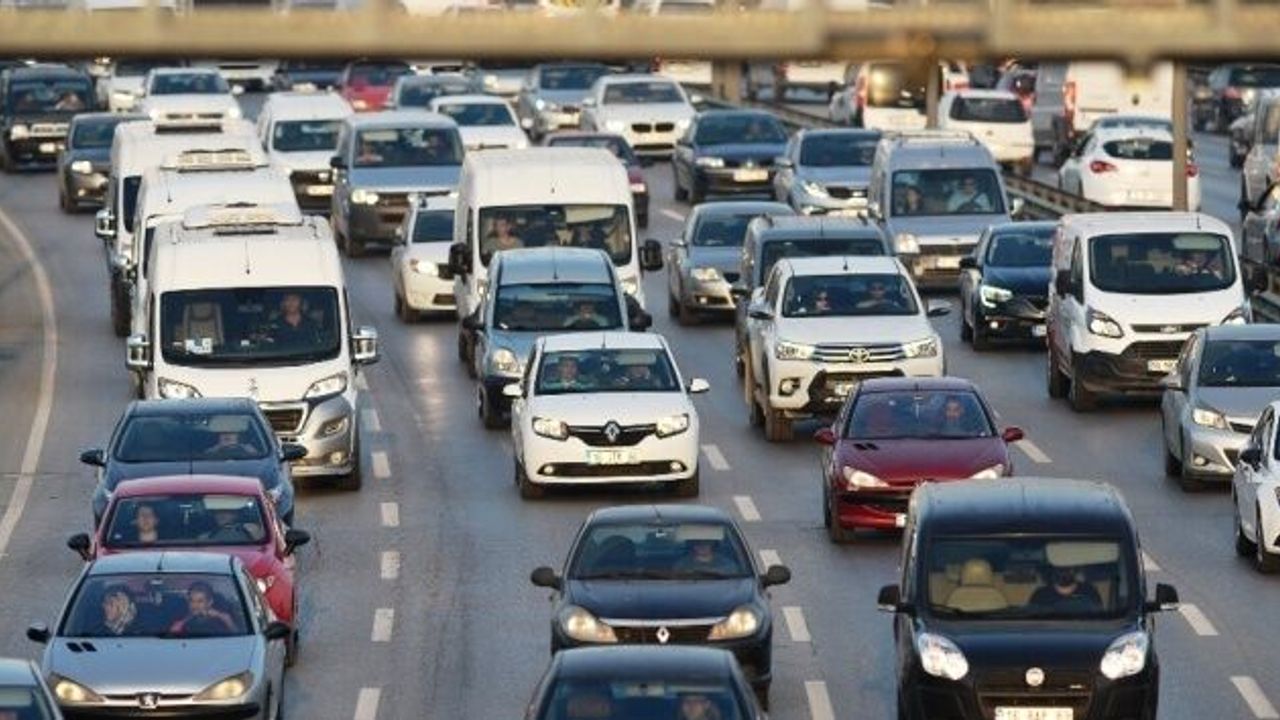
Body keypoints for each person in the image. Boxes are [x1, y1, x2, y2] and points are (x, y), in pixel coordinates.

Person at [169, 582, 237, 636]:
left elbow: (237, 636)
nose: (194, 605)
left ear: (210, 602)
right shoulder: (180, 617)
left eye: (200, 601)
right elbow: (170, 637)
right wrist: (187, 619)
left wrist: (219, 615)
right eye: (191, 600)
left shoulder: (221, 619)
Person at [1030, 566, 1102, 612]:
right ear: (1052, 569)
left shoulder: (1089, 591)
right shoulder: (1040, 595)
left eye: (1067, 567)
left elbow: (1099, 620)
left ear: (1074, 569)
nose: (1063, 570)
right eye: (1059, 567)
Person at [673, 539, 739, 576]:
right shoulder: (682, 564)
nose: (702, 546)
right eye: (698, 543)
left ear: (713, 544)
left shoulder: (727, 564)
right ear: (693, 545)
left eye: (706, 542)